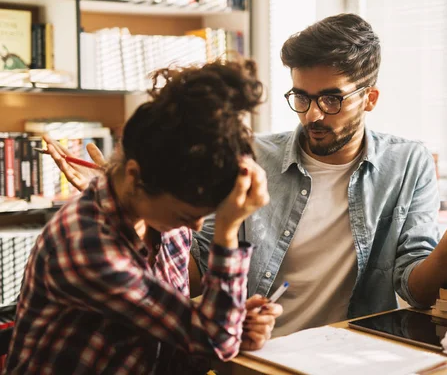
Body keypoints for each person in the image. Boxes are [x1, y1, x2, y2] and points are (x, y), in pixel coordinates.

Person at [47, 14, 447, 339]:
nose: (312, 115)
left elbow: (416, 292)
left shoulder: (407, 161)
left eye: (331, 99)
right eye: (302, 97)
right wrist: (143, 211)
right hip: (253, 349)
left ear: (369, 98)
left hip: (353, 352)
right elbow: (194, 272)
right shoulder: (254, 157)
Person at [4, 59, 278, 374]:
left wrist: (231, 317)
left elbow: (173, 326)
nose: (196, 227)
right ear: (135, 176)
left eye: (206, 215)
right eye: (185, 214)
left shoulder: (166, 220)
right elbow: (214, 341)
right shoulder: (85, 244)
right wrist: (227, 234)